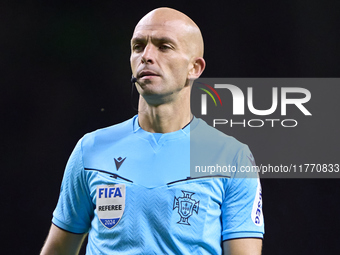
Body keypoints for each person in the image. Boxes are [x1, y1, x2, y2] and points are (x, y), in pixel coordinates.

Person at [40, 7, 264, 255]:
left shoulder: (231, 157)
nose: (146, 55)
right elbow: (58, 250)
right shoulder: (91, 149)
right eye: (138, 46)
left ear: (195, 68)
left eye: (164, 46)